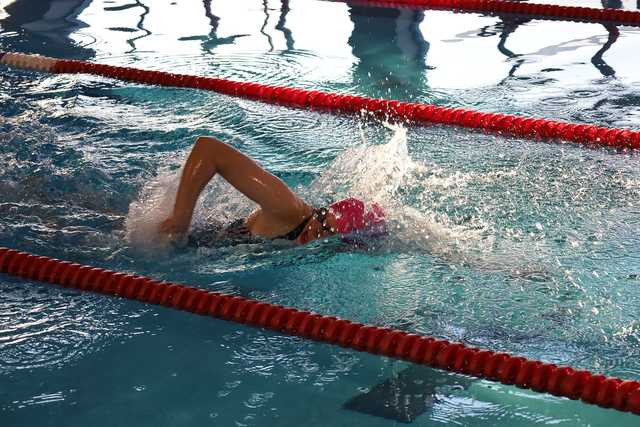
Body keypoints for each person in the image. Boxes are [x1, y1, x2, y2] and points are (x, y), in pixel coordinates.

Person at [159, 136, 386, 246]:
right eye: (323, 222)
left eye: (328, 235)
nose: (318, 232)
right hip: (182, 236)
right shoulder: (289, 210)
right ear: (323, 212)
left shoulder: (310, 246)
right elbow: (208, 149)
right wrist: (181, 217)